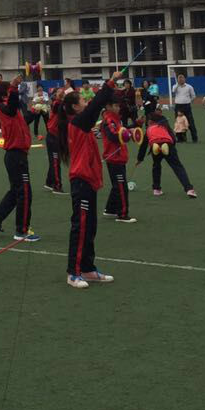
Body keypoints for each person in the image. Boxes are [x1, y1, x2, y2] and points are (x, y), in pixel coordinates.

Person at [65, 74, 120, 288]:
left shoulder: (84, 125)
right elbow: (96, 104)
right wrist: (110, 82)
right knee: (80, 227)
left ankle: (87, 269)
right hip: (81, 181)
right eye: (82, 100)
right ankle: (73, 272)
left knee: (90, 227)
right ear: (75, 107)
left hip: (89, 181)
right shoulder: (77, 122)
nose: (85, 101)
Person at [0, 76, 39, 242]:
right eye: (9, 90)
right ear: (4, 95)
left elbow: (21, 123)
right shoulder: (4, 107)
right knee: (24, 193)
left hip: (16, 155)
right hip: (16, 155)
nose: (11, 92)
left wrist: (34, 113)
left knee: (16, 191)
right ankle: (21, 231)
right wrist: (14, 86)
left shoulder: (9, 109)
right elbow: (13, 105)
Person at [136, 105, 197, 198]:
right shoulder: (164, 126)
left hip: (155, 146)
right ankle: (189, 189)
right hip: (167, 145)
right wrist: (173, 149)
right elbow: (173, 138)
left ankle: (156, 189)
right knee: (177, 167)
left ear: (151, 121)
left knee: (156, 166)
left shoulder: (149, 129)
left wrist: (140, 159)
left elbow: (143, 146)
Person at [99, 94, 136, 223]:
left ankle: (110, 209)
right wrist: (127, 134)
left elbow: (120, 133)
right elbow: (113, 136)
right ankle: (123, 214)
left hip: (118, 156)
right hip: (114, 157)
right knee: (121, 186)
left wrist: (133, 128)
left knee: (117, 185)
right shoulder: (109, 120)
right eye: (115, 106)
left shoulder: (116, 119)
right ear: (108, 106)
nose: (118, 108)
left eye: (118, 106)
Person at [43, 87, 69, 194]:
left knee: (53, 160)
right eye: (58, 92)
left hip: (55, 136)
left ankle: (49, 182)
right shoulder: (56, 104)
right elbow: (57, 106)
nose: (62, 92)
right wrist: (60, 97)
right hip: (53, 137)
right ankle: (57, 186)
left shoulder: (63, 105)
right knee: (55, 161)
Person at [171, 72, 197, 143]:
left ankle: (194, 138)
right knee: (179, 123)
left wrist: (188, 101)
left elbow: (193, 96)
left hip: (186, 106)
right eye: (179, 78)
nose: (180, 79)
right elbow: (173, 91)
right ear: (177, 79)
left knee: (190, 122)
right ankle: (180, 139)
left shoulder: (189, 87)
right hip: (178, 106)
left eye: (182, 78)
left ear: (185, 79)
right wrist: (177, 84)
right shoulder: (175, 86)